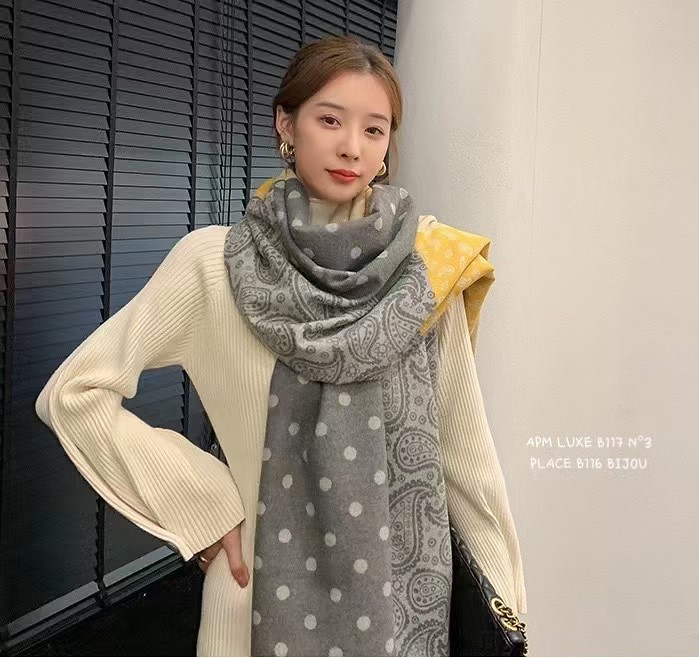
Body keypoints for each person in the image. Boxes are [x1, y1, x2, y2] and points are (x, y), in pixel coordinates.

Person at [35, 35, 526, 657]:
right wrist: (206, 503)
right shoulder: (212, 265)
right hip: (252, 607)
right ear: (286, 125)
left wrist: (509, 614)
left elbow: (466, 460)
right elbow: (75, 394)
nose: (352, 147)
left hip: (406, 612)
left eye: (374, 130)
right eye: (330, 120)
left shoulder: (429, 267)